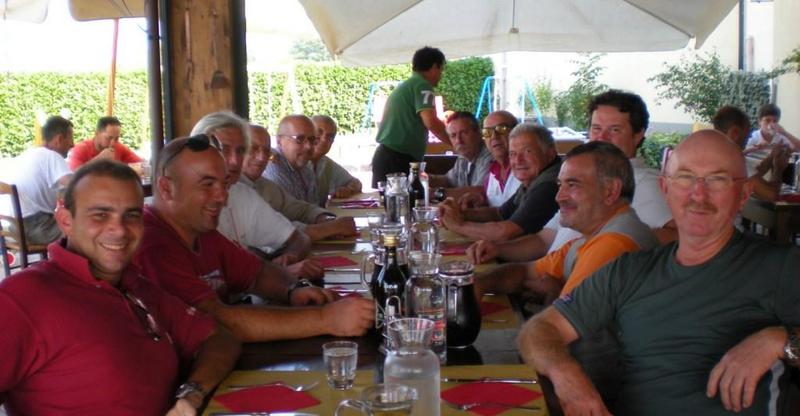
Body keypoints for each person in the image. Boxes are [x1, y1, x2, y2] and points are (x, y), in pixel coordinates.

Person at [517, 130, 800, 415]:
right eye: (685, 178)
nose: (698, 194)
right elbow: (539, 331)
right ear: (665, 188)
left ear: (743, 195)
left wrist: (778, 341)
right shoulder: (630, 270)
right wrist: (567, 377)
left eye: (718, 179)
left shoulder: (779, 266)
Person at [0, 160, 240, 415]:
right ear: (66, 220)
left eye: (131, 215)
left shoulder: (138, 288)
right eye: (100, 215)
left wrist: (192, 392)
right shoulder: (23, 298)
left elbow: (219, 338)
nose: (119, 230)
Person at [136, 135, 375, 343]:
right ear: (166, 188)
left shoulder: (198, 229)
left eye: (224, 184)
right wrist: (326, 319)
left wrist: (294, 289)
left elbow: (257, 273)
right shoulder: (152, 243)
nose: (222, 197)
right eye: (207, 184)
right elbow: (218, 321)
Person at [468, 90, 674, 264]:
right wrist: (498, 249)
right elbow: (544, 240)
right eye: (596, 129)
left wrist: (613, 241)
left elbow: (679, 237)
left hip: (577, 292)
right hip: (545, 277)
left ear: (638, 135)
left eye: (615, 130)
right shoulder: (583, 177)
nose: (601, 138)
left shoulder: (646, 182)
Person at [475, 141, 658, 303]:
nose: (559, 197)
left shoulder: (614, 244)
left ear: (610, 191)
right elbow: (526, 271)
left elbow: (557, 327)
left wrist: (554, 295)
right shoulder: (587, 240)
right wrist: (479, 283)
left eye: (572, 185)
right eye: (560, 185)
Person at [190, 112, 316, 278]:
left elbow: (299, 239)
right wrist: (279, 273)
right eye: (224, 150)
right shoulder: (183, 204)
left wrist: (290, 257)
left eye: (241, 151)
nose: (235, 161)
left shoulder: (241, 194)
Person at [438, 123, 560, 241]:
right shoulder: (534, 178)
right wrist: (458, 213)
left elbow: (505, 233)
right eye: (513, 154)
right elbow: (500, 213)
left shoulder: (549, 185)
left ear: (550, 153)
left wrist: (458, 225)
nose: (518, 160)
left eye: (527, 151)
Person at [243, 124, 358, 241]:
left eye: (266, 150)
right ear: (279, 141)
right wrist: (328, 229)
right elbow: (273, 230)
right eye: (252, 148)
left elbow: (300, 209)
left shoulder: (264, 184)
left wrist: (325, 219)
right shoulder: (268, 173)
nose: (262, 157)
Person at [371, 46, 451, 187]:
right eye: (441, 69)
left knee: (387, 199)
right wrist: (456, 142)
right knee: (403, 199)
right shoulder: (422, 85)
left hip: (388, 155)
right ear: (434, 67)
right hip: (397, 158)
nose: (441, 75)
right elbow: (431, 121)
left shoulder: (409, 85)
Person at [0, 116, 73, 245]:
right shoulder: (52, 156)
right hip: (37, 227)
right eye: (70, 139)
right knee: (85, 230)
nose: (73, 144)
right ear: (59, 139)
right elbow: (73, 183)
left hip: (14, 228)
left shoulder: (26, 155)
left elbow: (60, 191)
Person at [713, 105, 789, 202]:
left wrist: (771, 157)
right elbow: (771, 195)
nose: (748, 137)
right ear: (734, 132)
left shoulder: (712, 153)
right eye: (747, 133)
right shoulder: (734, 160)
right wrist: (778, 169)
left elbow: (753, 174)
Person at [427, 111, 493, 196]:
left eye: (464, 133)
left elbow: (481, 191)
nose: (458, 140)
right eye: (453, 135)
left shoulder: (490, 156)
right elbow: (448, 180)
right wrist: (424, 178)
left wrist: (437, 194)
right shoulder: (463, 156)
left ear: (478, 133)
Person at [263, 114, 321, 205]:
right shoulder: (274, 171)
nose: (308, 146)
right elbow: (290, 212)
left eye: (311, 139)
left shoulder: (306, 167)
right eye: (299, 139)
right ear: (279, 141)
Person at [310, 115, 362, 201]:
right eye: (319, 132)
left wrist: (349, 189)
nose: (324, 139)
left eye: (329, 136)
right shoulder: (295, 162)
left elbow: (356, 183)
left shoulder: (325, 163)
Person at [67, 116, 142, 170]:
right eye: (109, 138)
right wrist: (98, 160)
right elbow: (73, 174)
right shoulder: (81, 148)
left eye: (116, 138)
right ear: (97, 134)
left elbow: (143, 164)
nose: (113, 143)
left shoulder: (119, 147)